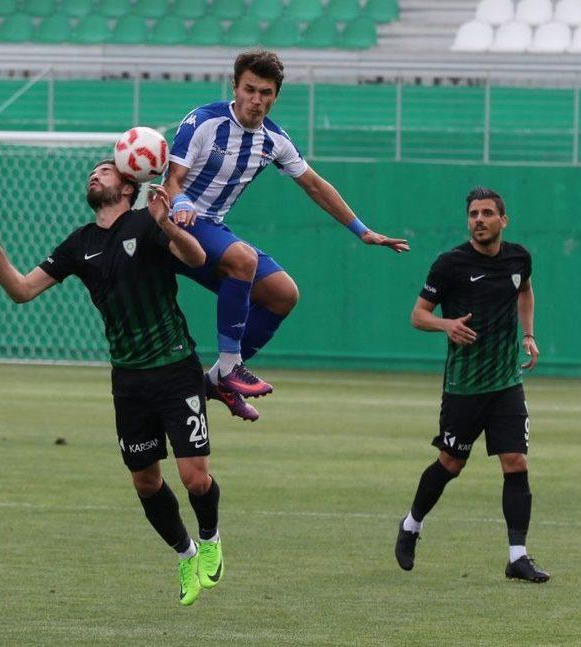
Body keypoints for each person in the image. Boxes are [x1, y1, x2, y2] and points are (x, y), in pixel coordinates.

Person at [0, 160, 224, 606]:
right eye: (93, 172)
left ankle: (209, 539)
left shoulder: (148, 220)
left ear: (128, 185)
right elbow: (23, 291)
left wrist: (168, 223)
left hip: (174, 367)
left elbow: (197, 257)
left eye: (105, 171)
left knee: (194, 478)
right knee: (145, 481)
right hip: (127, 378)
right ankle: (185, 553)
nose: (95, 175)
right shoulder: (79, 243)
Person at [164, 49, 410, 422]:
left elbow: (314, 185)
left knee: (283, 294)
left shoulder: (274, 140)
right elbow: (171, 181)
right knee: (243, 258)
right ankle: (232, 367)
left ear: (276, 95)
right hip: (171, 224)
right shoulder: (204, 121)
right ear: (235, 86)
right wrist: (180, 202)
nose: (256, 100)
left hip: (210, 228)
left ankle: (217, 379)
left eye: (266, 92)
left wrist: (362, 231)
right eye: (249, 89)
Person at [394, 186, 549, 583]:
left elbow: (525, 291)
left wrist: (528, 335)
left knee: (515, 462)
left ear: (502, 220)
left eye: (486, 213)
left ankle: (518, 556)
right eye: (473, 214)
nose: (478, 220)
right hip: (464, 386)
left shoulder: (519, 258)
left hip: (506, 384)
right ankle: (411, 525)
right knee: (451, 463)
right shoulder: (450, 264)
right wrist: (446, 324)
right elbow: (417, 315)